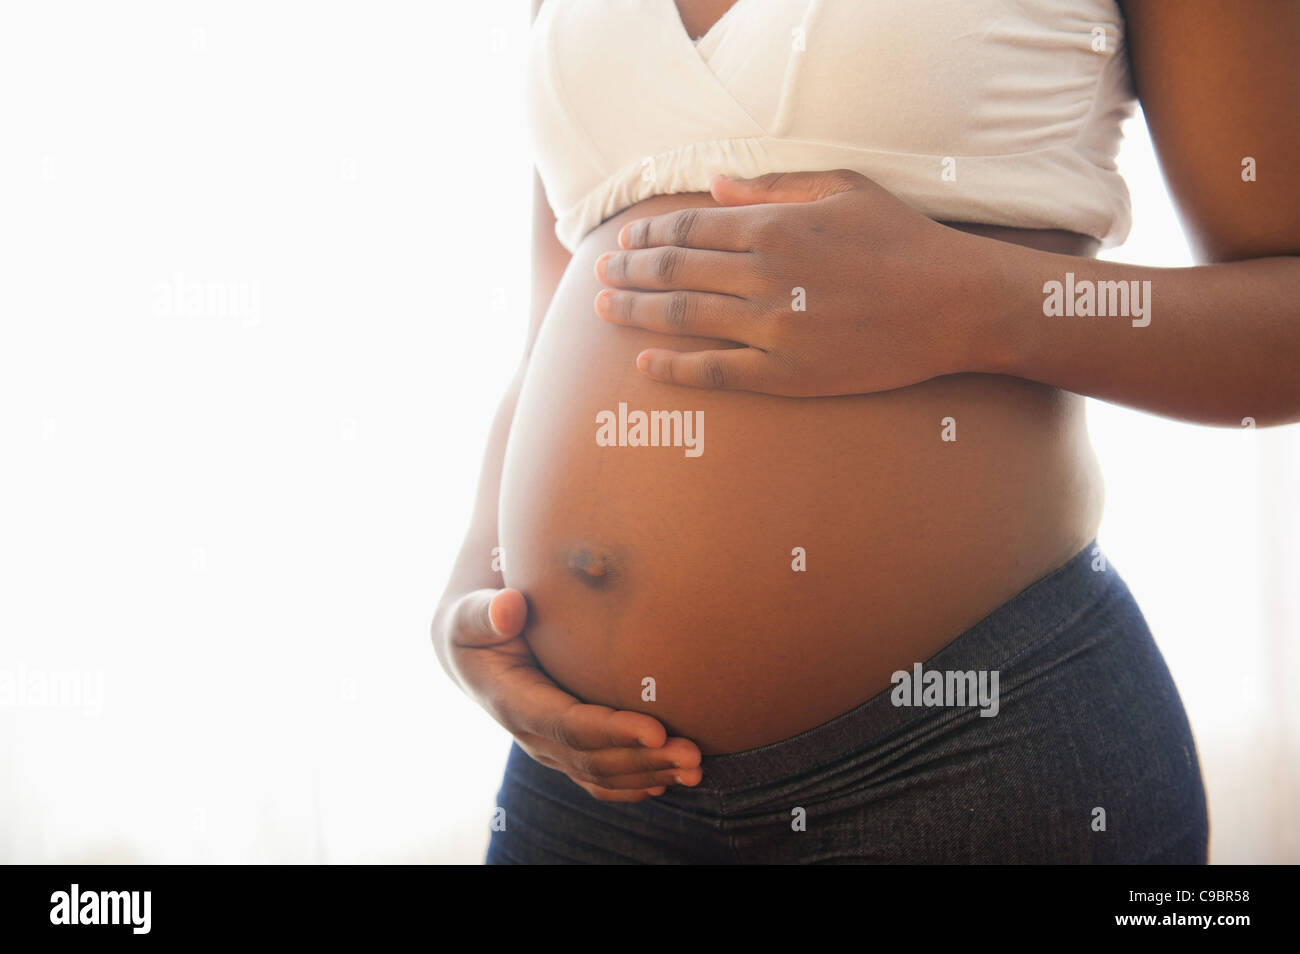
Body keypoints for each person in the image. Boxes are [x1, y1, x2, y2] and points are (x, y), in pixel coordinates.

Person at [433, 0, 1299, 863]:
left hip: (971, 760)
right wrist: (476, 593)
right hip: (589, 788)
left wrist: (971, 302)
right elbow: (557, 320)